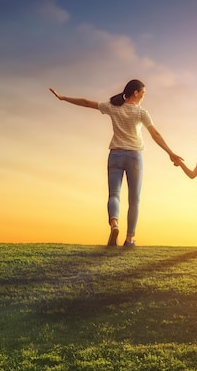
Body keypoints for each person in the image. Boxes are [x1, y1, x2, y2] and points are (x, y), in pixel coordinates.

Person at [49, 79, 182, 247]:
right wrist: (170, 153)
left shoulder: (112, 106)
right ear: (136, 93)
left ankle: (114, 224)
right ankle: (129, 239)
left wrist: (63, 98)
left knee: (114, 195)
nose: (143, 96)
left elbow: (86, 102)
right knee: (134, 200)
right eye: (143, 93)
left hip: (116, 155)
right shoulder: (142, 113)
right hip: (134, 156)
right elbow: (155, 134)